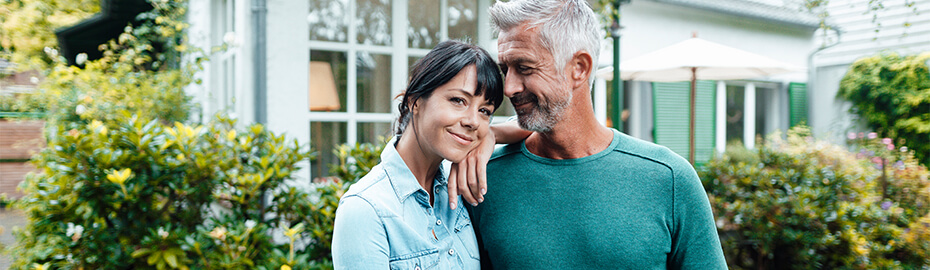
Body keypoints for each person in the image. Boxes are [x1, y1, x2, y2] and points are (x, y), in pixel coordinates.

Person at [464, 0, 728, 269]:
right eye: (505, 69)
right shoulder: (481, 179)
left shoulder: (668, 179)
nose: (508, 87)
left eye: (525, 68)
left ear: (579, 68)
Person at [331, 40, 505, 269]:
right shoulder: (366, 210)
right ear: (415, 101)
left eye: (485, 111)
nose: (473, 121)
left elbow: (547, 126)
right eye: (458, 100)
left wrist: (492, 134)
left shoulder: (462, 183)